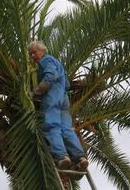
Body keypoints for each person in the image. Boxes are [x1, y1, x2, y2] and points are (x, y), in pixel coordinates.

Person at [28, 40, 89, 175]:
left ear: (42, 51)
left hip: (52, 97)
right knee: (66, 129)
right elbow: (66, 84)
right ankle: (80, 158)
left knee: (52, 126)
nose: (32, 56)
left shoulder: (46, 60)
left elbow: (49, 77)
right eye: (30, 54)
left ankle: (62, 156)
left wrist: (35, 92)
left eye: (34, 52)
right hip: (64, 99)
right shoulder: (57, 62)